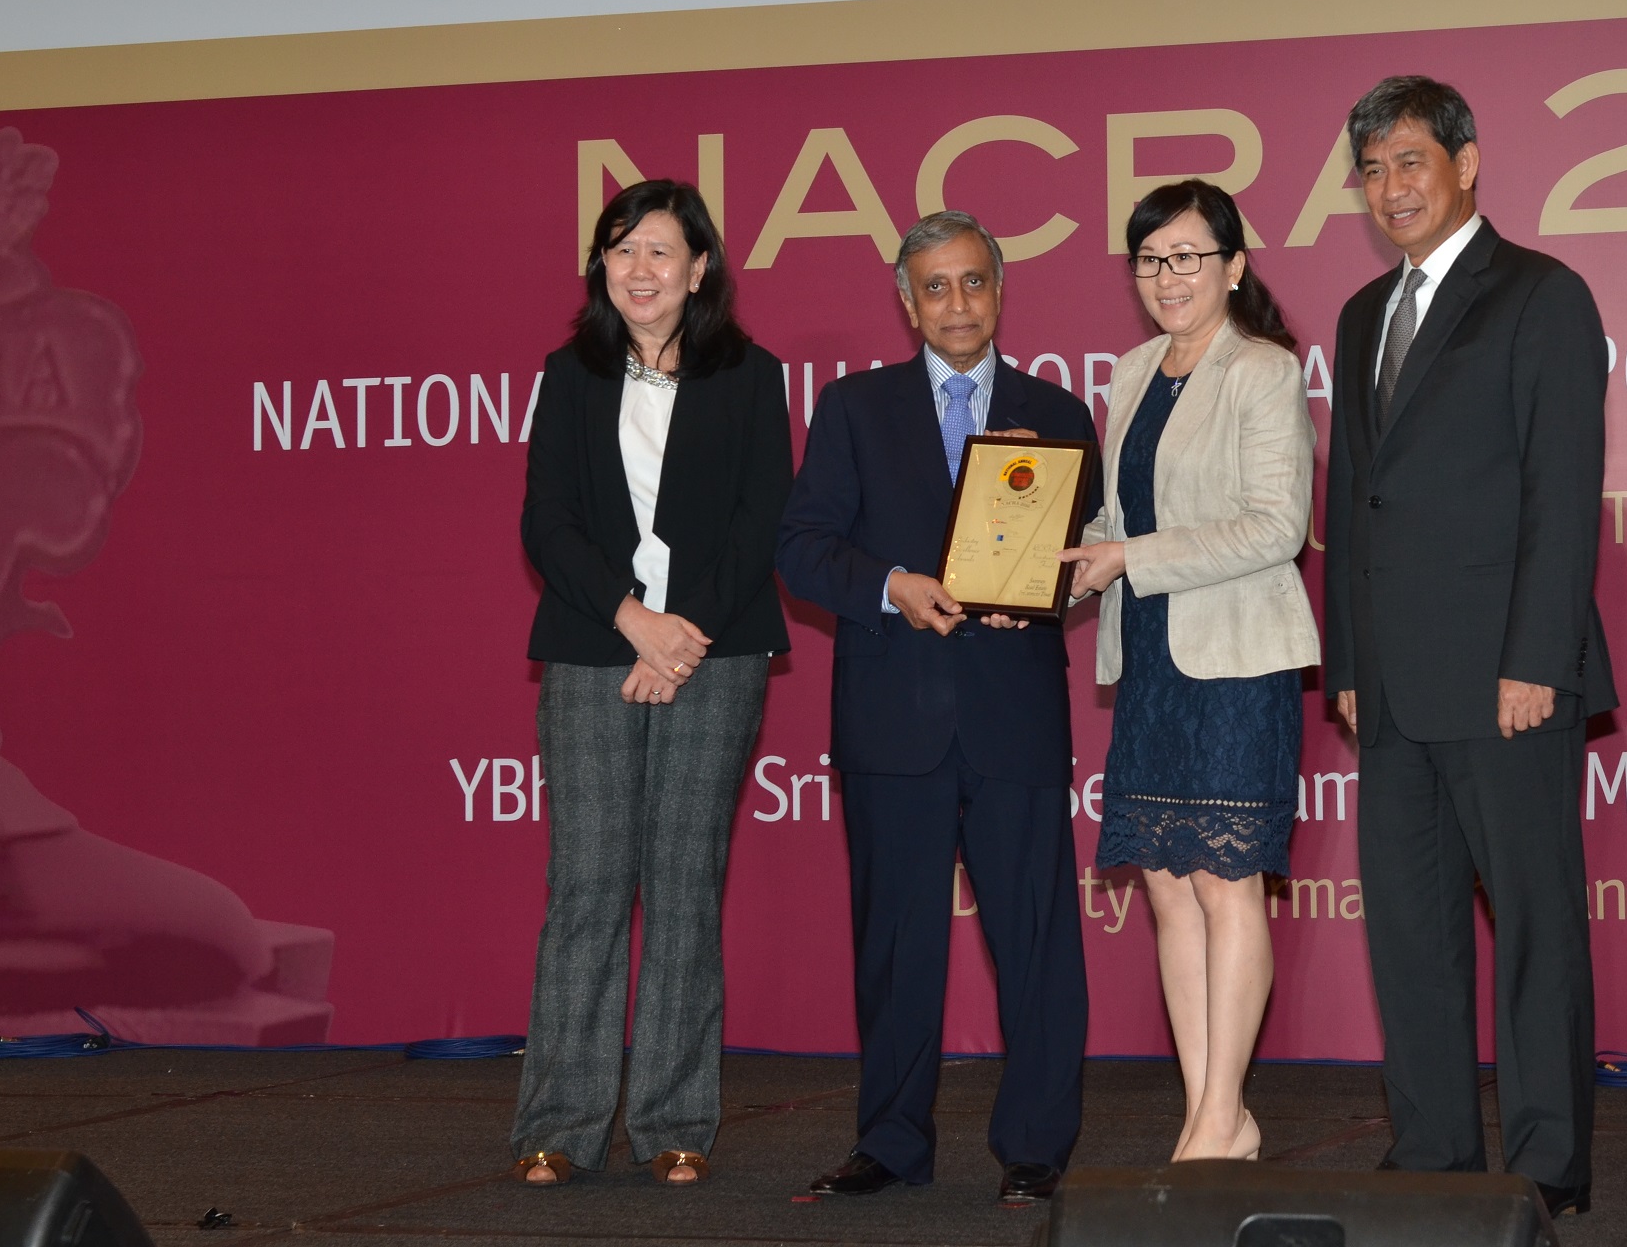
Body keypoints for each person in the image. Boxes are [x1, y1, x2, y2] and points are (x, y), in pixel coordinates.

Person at [1323, 76, 1617, 1216]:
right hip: (1391, 685)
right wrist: (1346, 662)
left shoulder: (1541, 296)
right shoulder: (1359, 316)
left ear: (1465, 163)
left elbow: (1562, 492)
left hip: (1507, 677)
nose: (1390, 188)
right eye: (1373, 169)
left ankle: (1547, 1167)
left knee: (1536, 931)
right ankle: (1433, 1157)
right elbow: (1355, 500)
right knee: (1411, 936)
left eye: (1409, 163)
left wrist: (1538, 661)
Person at [775, 211, 1100, 1205]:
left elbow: (1087, 560)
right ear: (906, 301)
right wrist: (891, 586)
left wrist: (1057, 592)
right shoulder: (853, 409)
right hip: (892, 719)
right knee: (896, 948)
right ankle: (890, 1145)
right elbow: (801, 548)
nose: (956, 303)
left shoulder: (1059, 413)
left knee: (1038, 944)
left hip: (1014, 716)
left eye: (972, 283)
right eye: (936, 287)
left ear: (999, 292)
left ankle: (1037, 1152)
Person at [512, 178, 792, 1187]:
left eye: (660, 252)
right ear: (601, 267)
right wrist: (632, 621)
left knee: (681, 890)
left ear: (700, 269)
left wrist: (684, 639)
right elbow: (545, 521)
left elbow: (764, 519)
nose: (639, 270)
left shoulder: (752, 376)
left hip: (715, 656)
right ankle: (556, 1123)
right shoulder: (567, 373)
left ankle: (677, 1122)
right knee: (586, 890)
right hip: (594, 647)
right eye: (621, 251)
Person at [1058, 179, 1320, 1163]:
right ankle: (1212, 1111)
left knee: (1225, 885)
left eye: (1187, 257)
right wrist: (1045, 571)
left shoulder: (1262, 371)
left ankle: (1218, 1116)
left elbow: (1274, 526)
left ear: (1233, 267)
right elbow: (1114, 526)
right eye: (1151, 260)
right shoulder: (1129, 373)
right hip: (1154, 664)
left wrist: (1134, 559)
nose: (1167, 277)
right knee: (1167, 884)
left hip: (1235, 661)